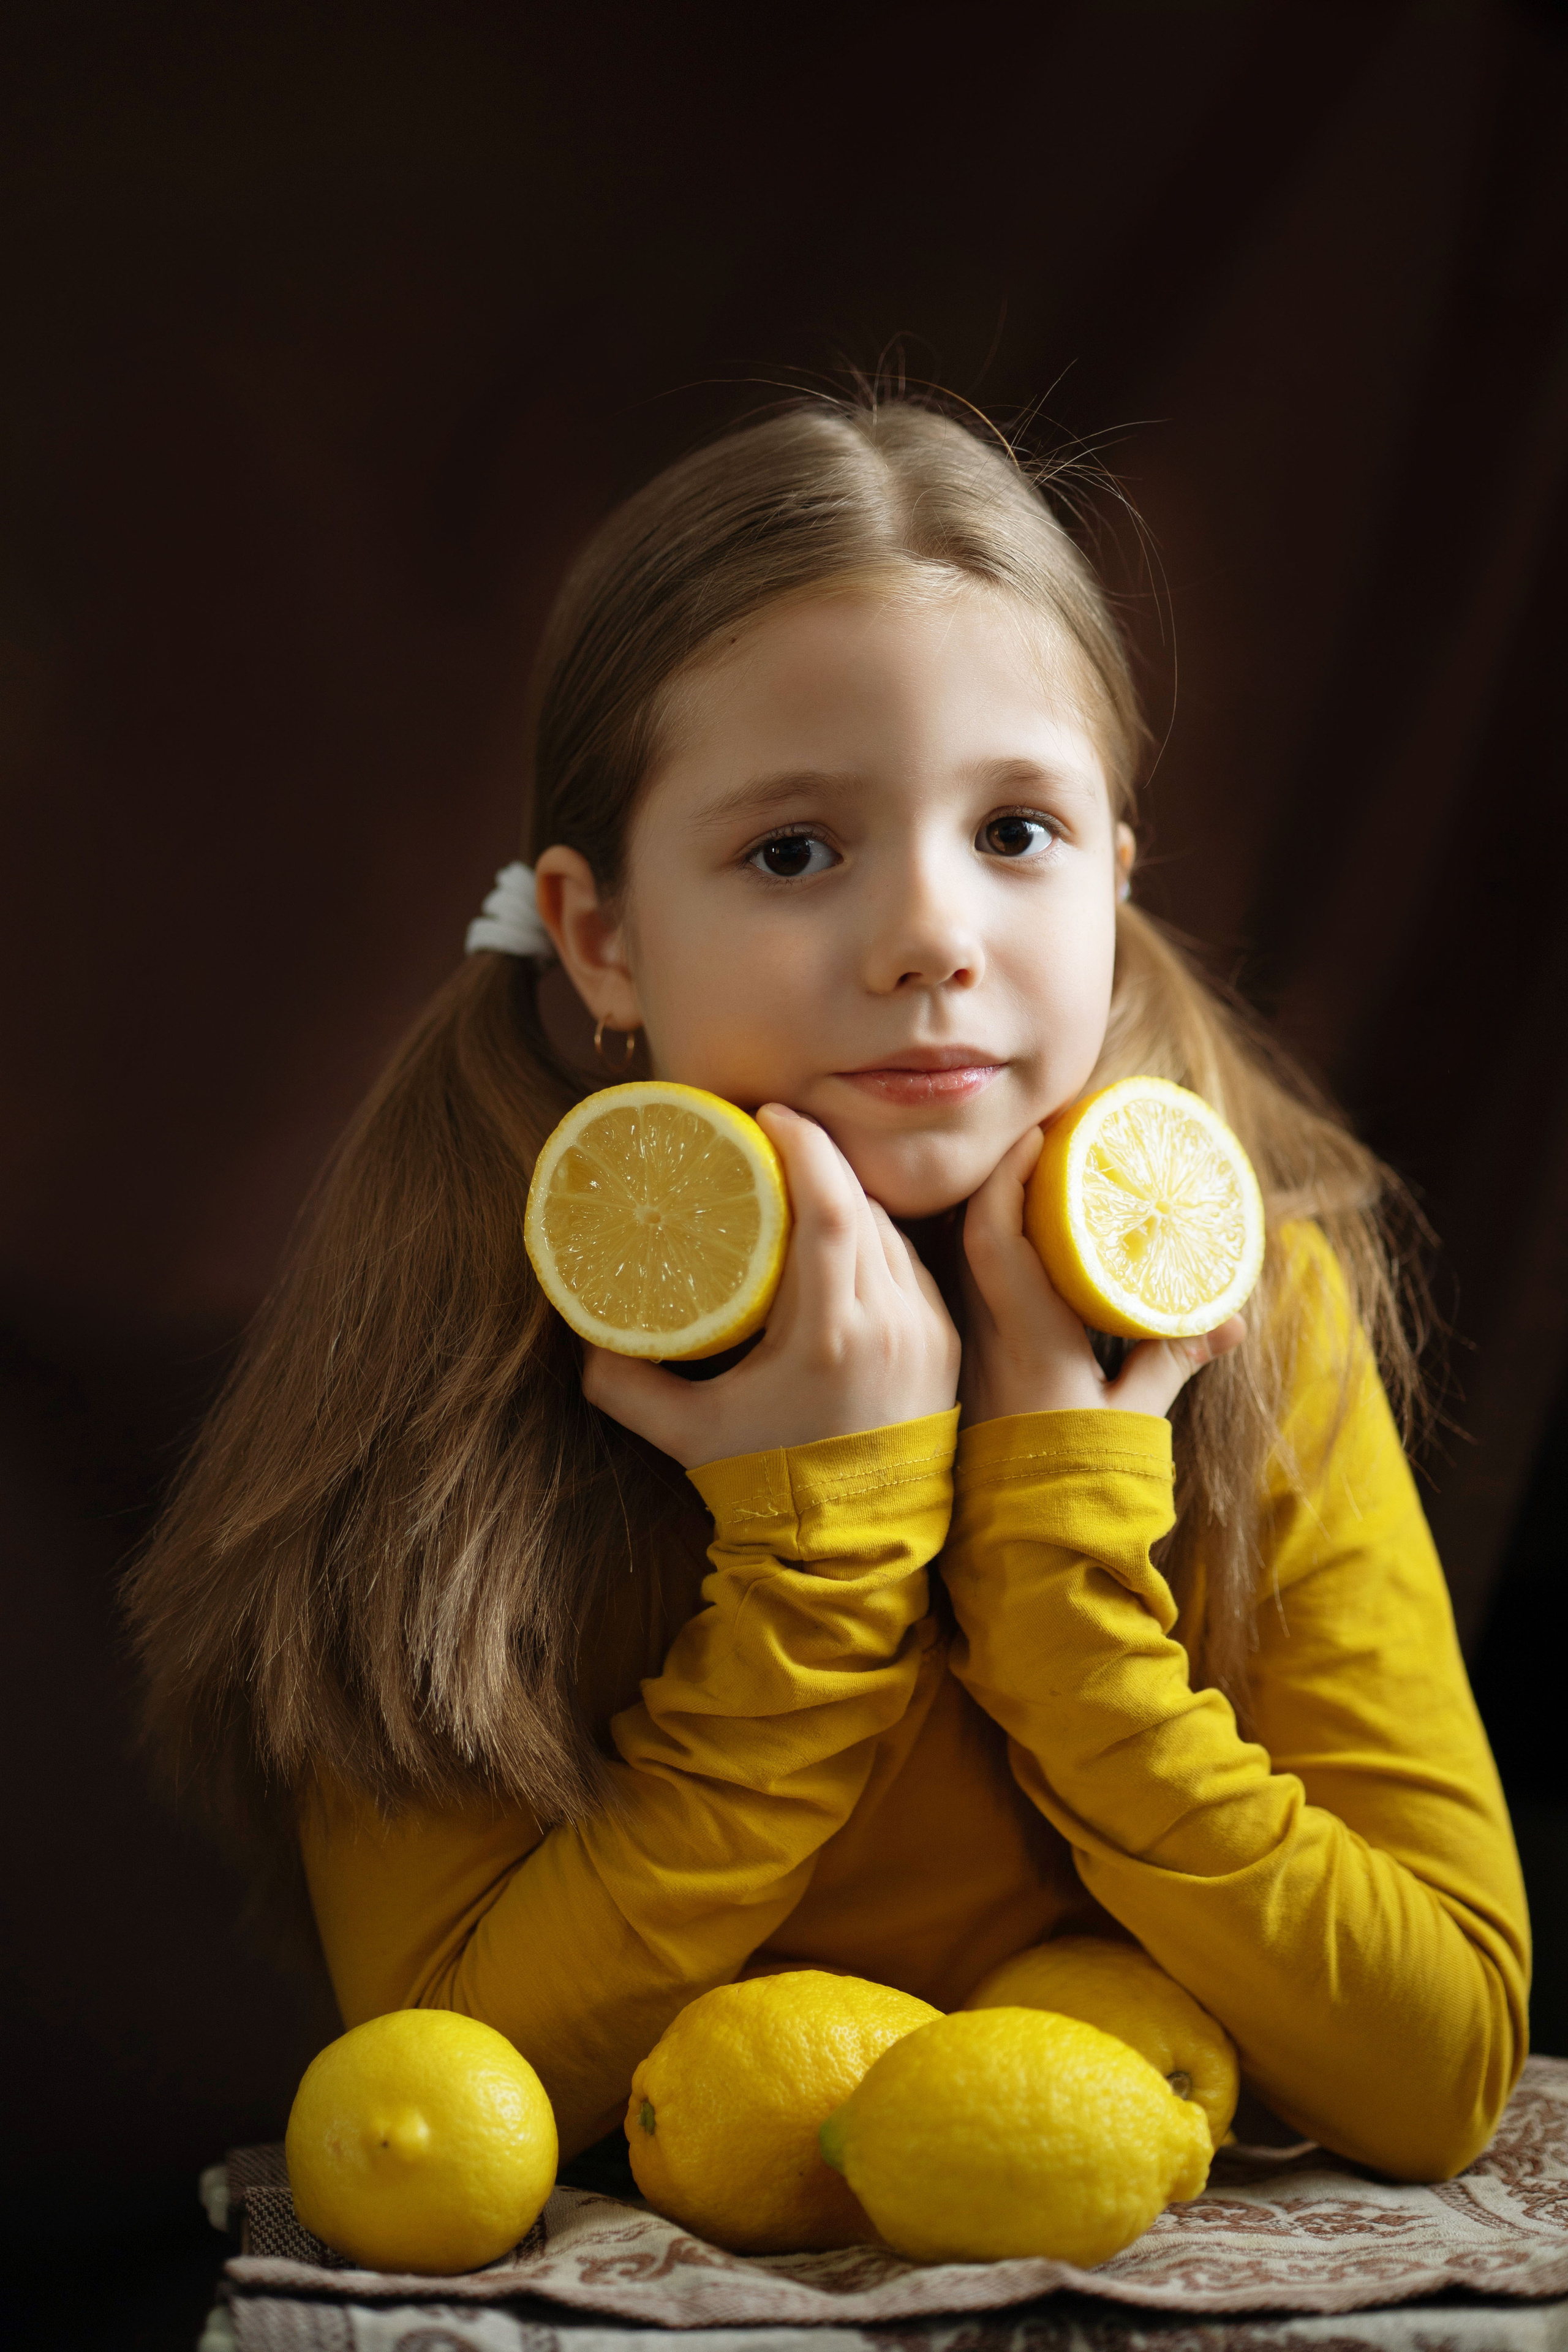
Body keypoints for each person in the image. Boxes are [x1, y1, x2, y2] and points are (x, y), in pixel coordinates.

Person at [126, 395, 1528, 2185]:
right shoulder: (449, 1336)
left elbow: (1444, 2067)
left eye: (1014, 832)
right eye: (794, 852)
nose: (932, 937)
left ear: (1114, 881)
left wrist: (1057, 1572)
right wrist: (822, 1557)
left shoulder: (1259, 1304)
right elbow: (444, 2103)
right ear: (603, 938)